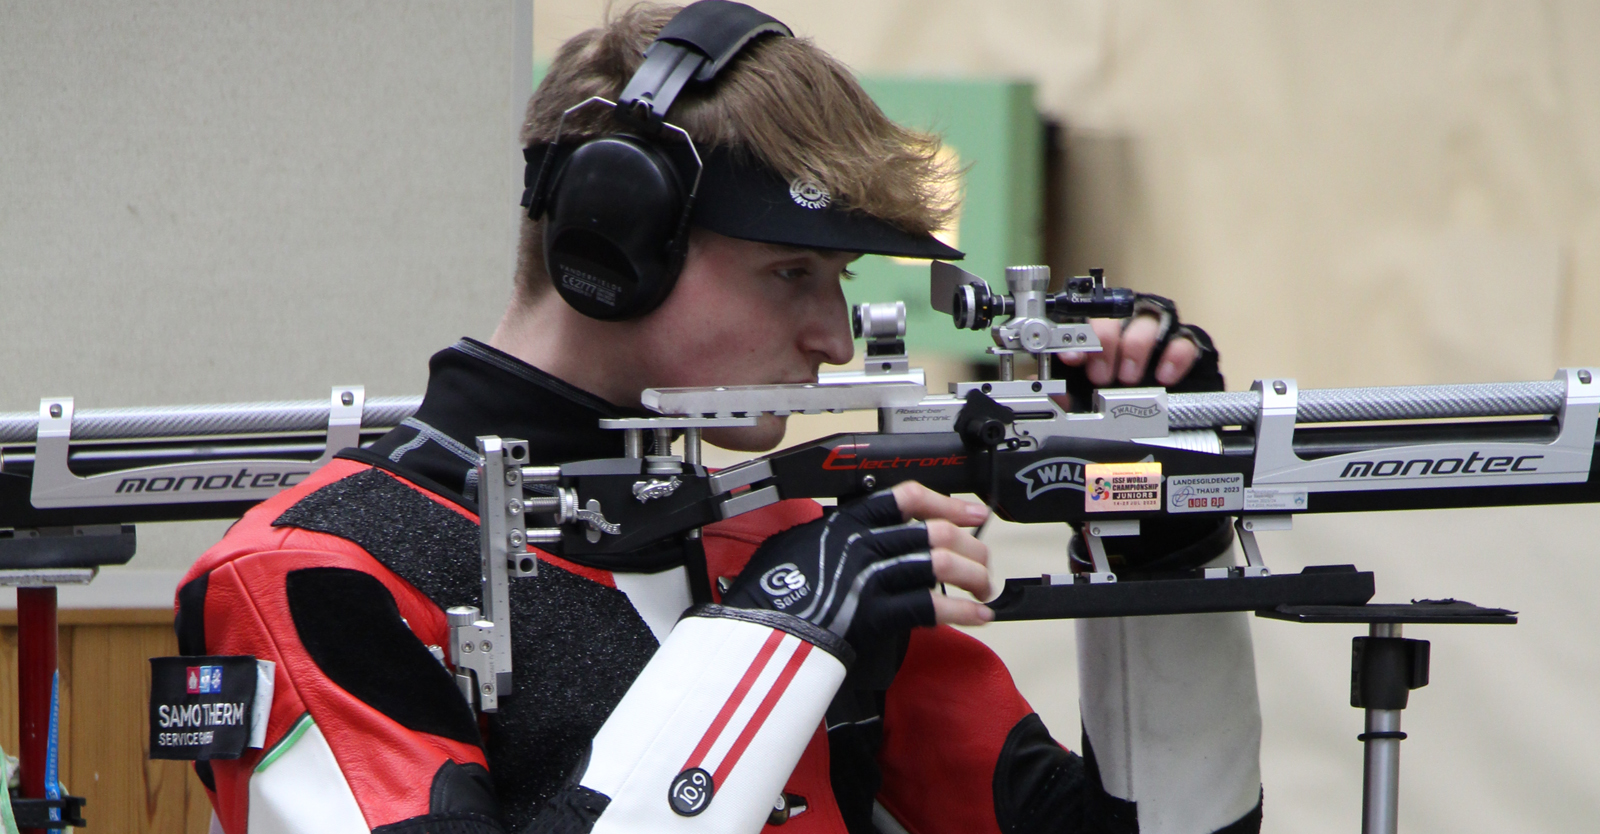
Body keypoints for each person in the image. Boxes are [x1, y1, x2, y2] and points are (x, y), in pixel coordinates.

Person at [175, 3, 1262, 833]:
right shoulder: (310, 574)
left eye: (835, 279)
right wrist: (775, 638)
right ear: (608, 246)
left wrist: (1162, 548)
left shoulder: (786, 541)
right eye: (789, 273)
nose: (832, 337)